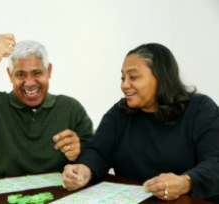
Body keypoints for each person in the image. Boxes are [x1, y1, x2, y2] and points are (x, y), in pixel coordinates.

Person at [61, 43, 219, 203]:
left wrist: (184, 182)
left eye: (133, 77)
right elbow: (98, 150)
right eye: (123, 78)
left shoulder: (200, 108)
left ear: (160, 77)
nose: (124, 85)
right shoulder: (120, 112)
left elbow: (215, 162)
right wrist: (84, 169)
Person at [0, 34, 93, 179]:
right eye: (20, 74)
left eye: (36, 73)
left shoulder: (71, 108)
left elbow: (95, 156)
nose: (29, 83)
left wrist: (80, 152)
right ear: (10, 75)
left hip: (54, 196)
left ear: (49, 71)